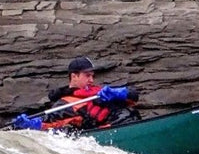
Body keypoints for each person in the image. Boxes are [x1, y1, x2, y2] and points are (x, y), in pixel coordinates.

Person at [12, 56, 140, 131]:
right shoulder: (65, 103)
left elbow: (134, 96)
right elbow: (49, 123)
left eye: (92, 76)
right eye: (87, 75)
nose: (91, 80)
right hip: (109, 132)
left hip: (129, 122)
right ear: (74, 76)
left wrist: (121, 93)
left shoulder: (101, 92)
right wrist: (32, 124)